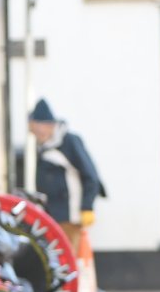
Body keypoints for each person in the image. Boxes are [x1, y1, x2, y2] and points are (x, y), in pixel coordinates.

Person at [28, 98, 105, 255]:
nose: (36, 134)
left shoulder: (69, 142)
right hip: (53, 215)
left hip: (70, 215)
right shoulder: (44, 146)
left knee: (68, 257)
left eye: (37, 129)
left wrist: (87, 207)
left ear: (48, 125)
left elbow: (90, 175)